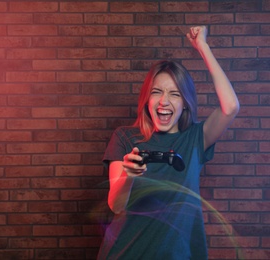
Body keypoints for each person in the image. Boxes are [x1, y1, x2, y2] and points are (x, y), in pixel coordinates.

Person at [97, 26, 240, 259]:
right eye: (157, 92)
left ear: (185, 102)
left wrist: (202, 47)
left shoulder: (195, 138)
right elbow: (116, 205)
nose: (164, 101)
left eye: (174, 94)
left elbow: (231, 107)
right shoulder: (125, 137)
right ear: (147, 99)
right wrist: (128, 175)